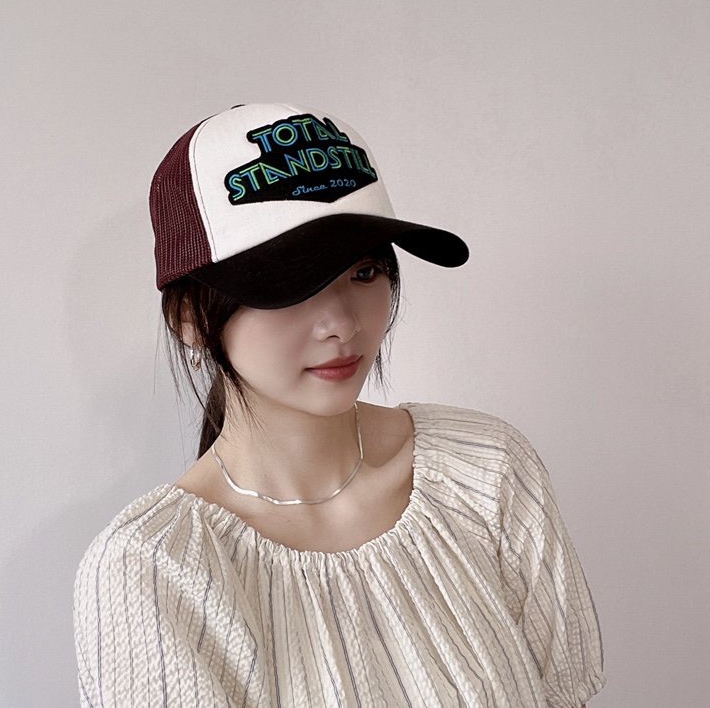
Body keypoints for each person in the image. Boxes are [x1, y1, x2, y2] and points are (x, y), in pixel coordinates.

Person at [74, 103, 605, 707]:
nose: (342, 324)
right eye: (291, 286)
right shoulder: (154, 569)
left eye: (365, 271)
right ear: (190, 317)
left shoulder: (486, 471)